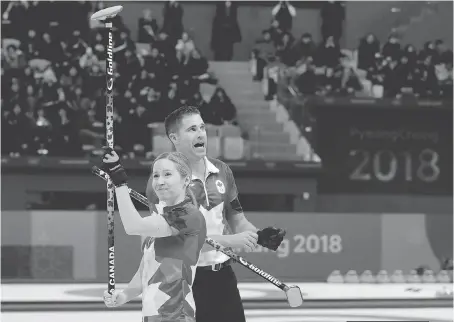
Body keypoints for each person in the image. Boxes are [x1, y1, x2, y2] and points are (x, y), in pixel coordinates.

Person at [145, 105, 286, 322]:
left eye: (202, 127)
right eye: (192, 129)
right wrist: (232, 240)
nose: (201, 133)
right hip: (181, 280)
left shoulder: (222, 171)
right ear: (174, 137)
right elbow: (179, 241)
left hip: (221, 277)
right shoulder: (163, 180)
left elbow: (236, 218)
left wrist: (257, 235)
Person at [100, 149, 207, 322]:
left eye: (167, 174)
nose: (160, 181)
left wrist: (119, 183)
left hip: (176, 316)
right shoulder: (160, 220)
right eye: (156, 176)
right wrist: (124, 296)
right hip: (154, 316)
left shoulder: (189, 215)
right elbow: (145, 271)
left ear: (186, 179)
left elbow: (134, 226)